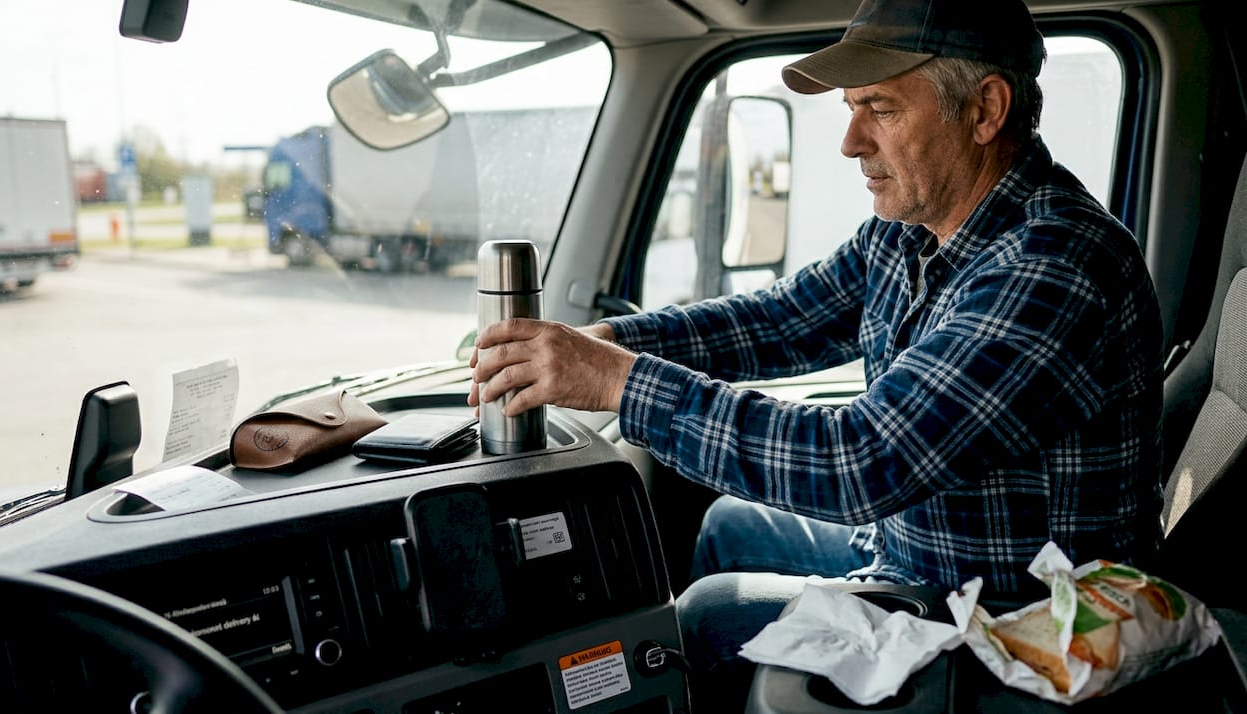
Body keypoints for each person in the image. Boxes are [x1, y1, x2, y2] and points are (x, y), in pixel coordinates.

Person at [469, 0, 1164, 707]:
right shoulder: (912, 232)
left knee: (707, 615)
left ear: (985, 110)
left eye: (880, 109)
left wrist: (620, 385)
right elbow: (779, 320)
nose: (851, 141)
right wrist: (611, 342)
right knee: (729, 525)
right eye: (851, 109)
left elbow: (859, 462)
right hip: (917, 552)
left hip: (1015, 622)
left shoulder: (1055, 265)